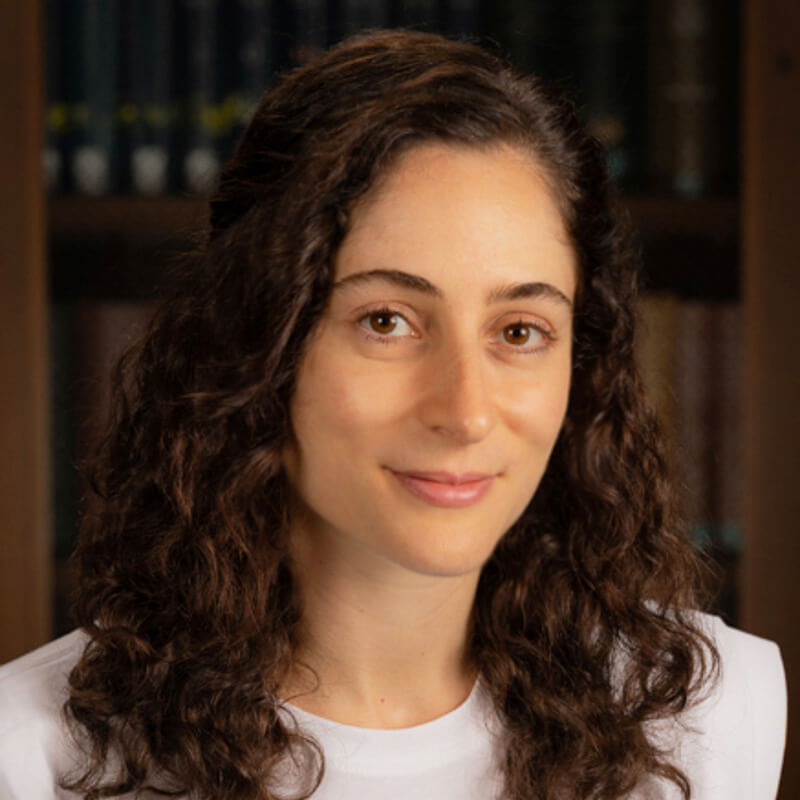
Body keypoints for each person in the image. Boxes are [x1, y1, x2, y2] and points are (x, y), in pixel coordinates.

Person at [0, 29, 786, 800]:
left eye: (519, 332)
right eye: (387, 321)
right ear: (259, 343)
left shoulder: (712, 715)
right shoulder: (31, 756)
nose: (465, 412)